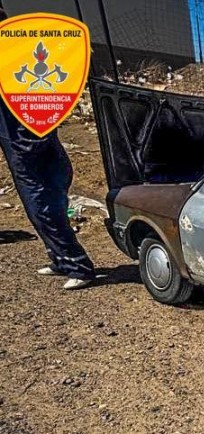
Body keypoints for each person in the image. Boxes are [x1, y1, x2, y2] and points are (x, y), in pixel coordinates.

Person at [0, 7, 96, 290]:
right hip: (24, 144)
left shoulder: (14, 54)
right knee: (39, 207)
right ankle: (60, 259)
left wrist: (31, 144)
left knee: (44, 208)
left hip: (29, 145)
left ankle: (79, 265)